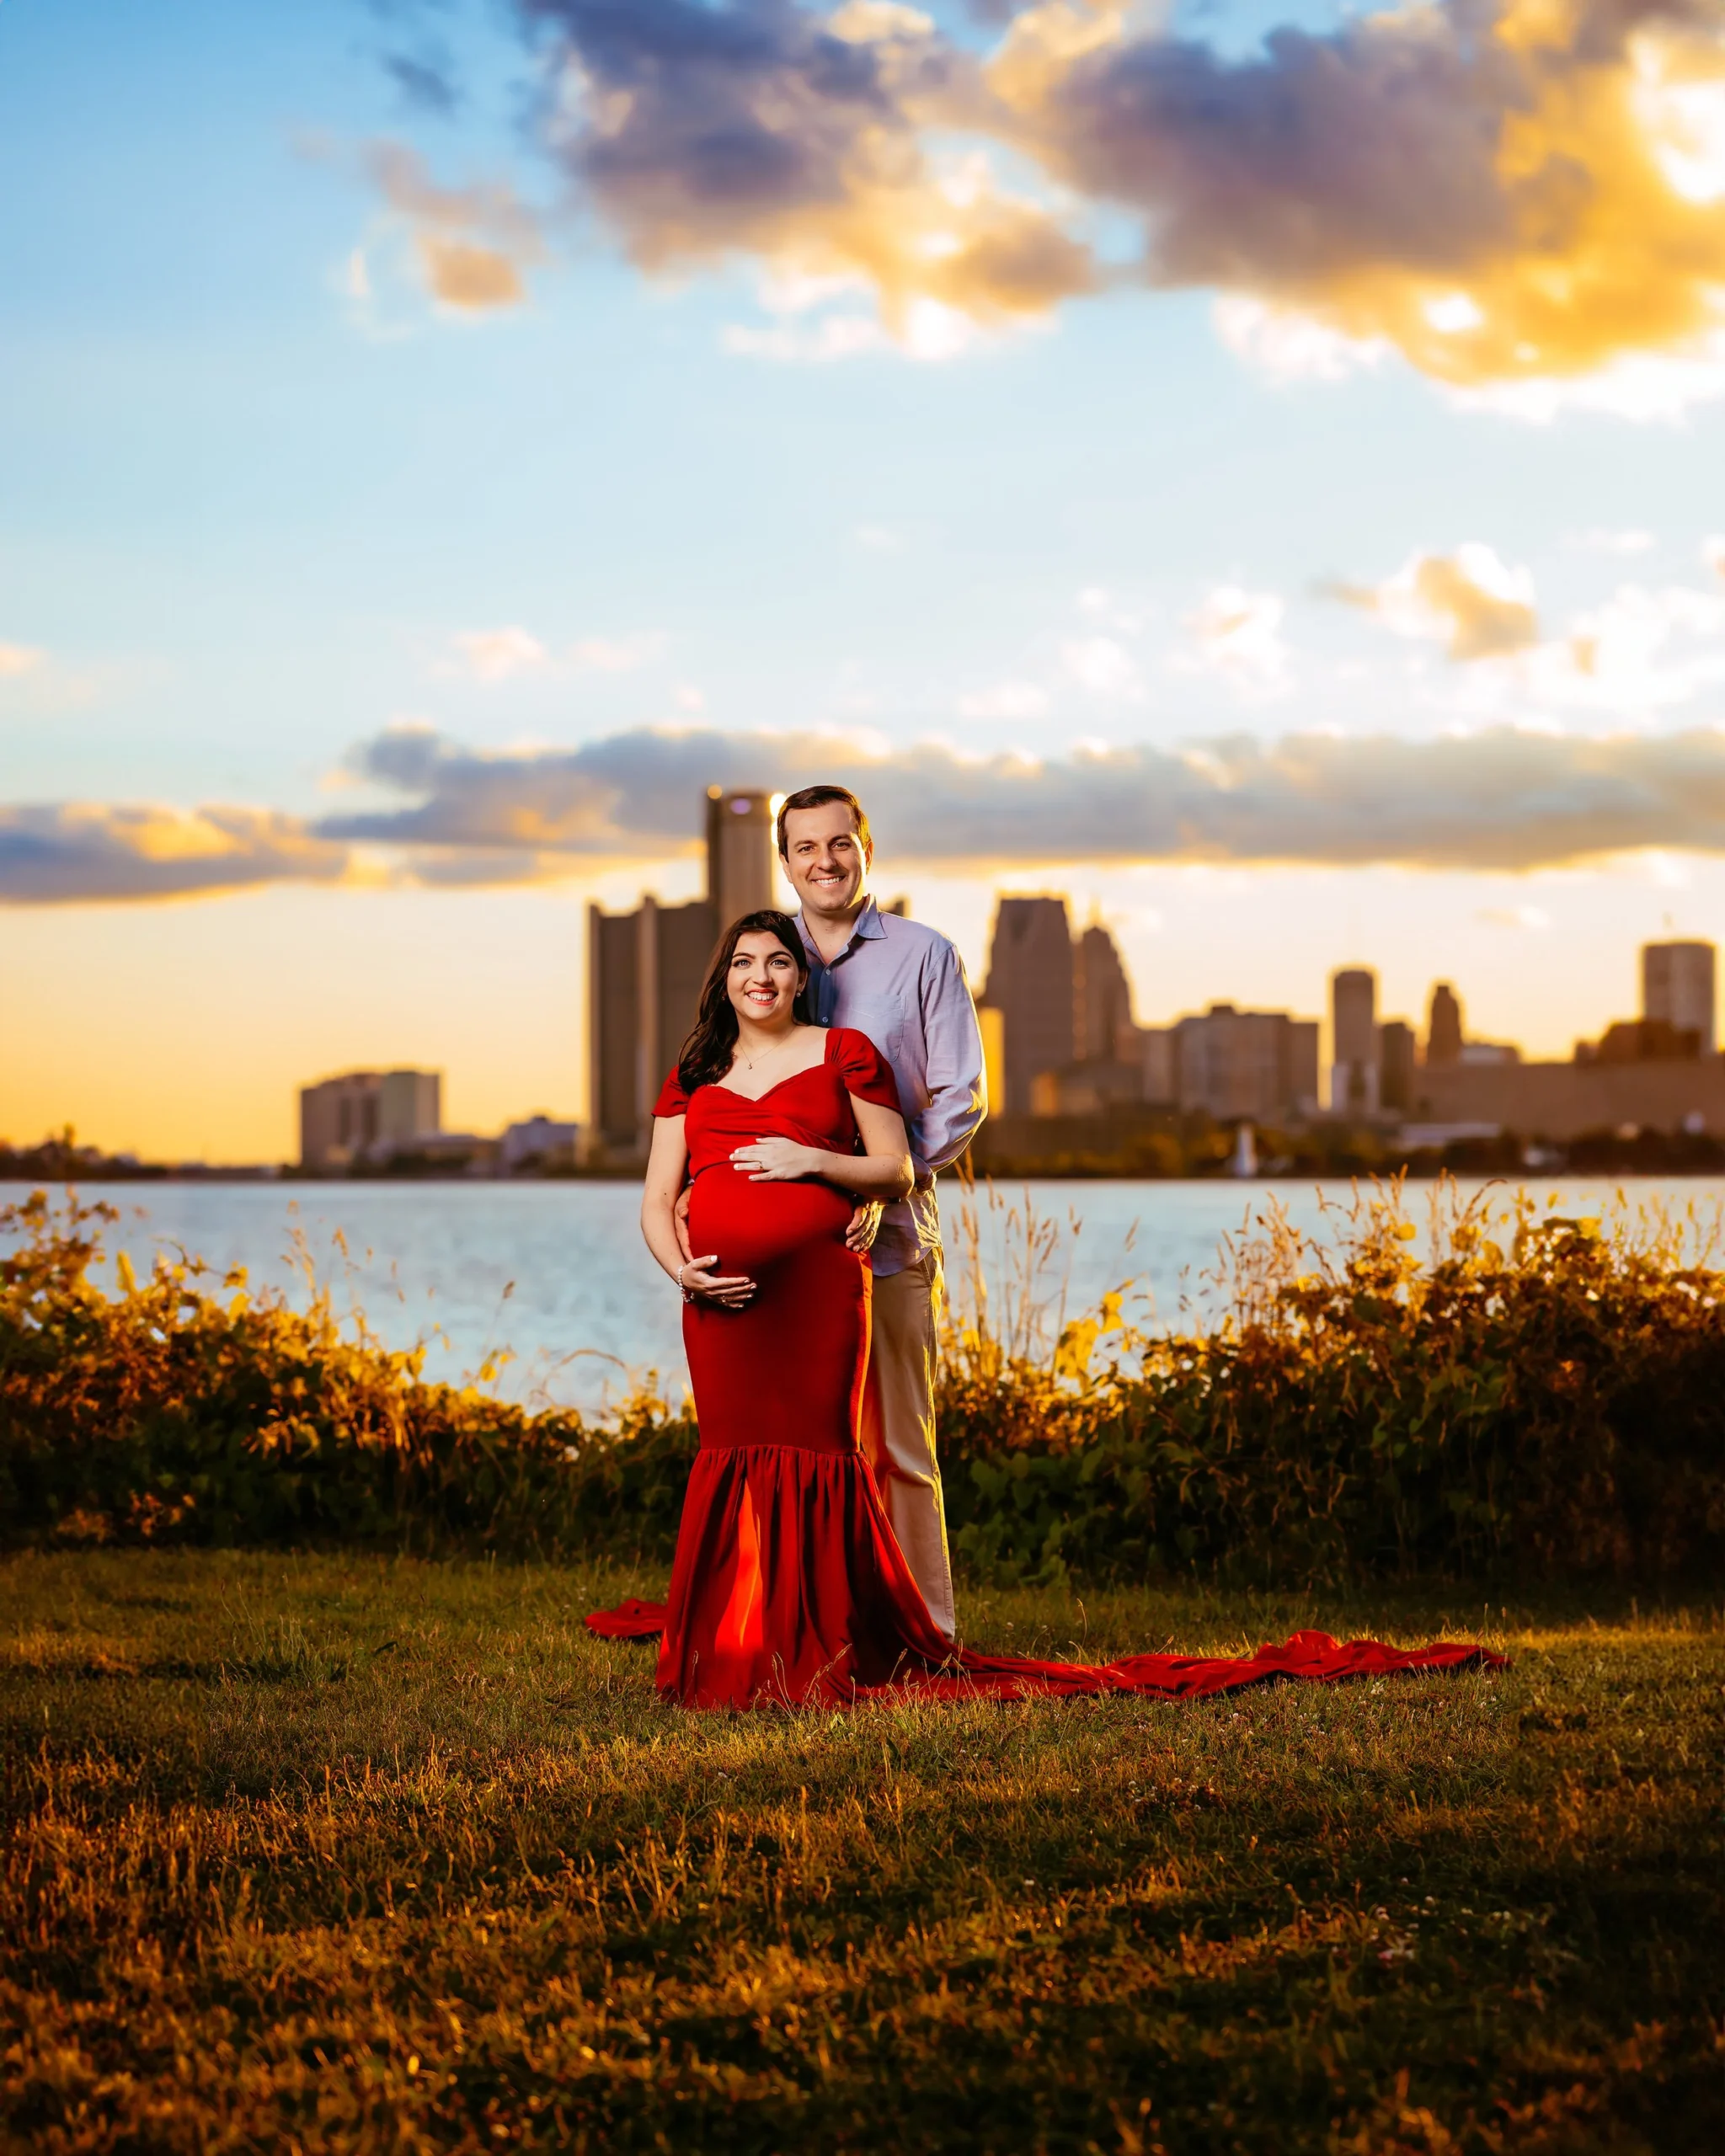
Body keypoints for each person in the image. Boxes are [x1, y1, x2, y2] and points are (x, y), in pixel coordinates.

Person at [593, 906, 1503, 1713]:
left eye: (778, 962)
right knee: (732, 1459)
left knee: (826, 1460)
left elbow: (895, 1169)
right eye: (744, 963)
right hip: (722, 1310)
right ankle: (730, 1649)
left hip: (822, 1297)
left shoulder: (846, 1053)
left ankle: (821, 1650)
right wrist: (684, 1274)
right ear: (724, 978)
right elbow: (656, 1199)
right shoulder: (693, 1071)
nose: (760, 976)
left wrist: (810, 1164)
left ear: (802, 977)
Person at [679, 782, 983, 1640]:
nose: (825, 861)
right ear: (785, 861)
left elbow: (961, 1099)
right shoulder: (766, 955)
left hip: (887, 1240)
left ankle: (925, 1633)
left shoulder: (924, 955)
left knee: (898, 1447)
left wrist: (873, 1182)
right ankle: (802, 1623)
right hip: (779, 1272)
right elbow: (731, 1078)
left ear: (865, 849)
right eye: (806, 847)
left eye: (840, 843)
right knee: (800, 1452)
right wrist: (706, 1180)